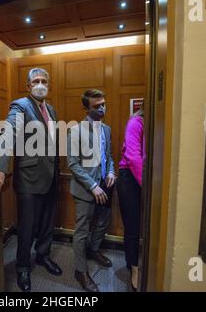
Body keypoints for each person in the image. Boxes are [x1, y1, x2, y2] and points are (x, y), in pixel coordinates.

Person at [0, 68, 62, 292]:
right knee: (27, 227)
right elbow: (9, 132)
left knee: (47, 222)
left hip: (51, 176)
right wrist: (0, 166)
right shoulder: (20, 106)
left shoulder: (52, 110)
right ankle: (23, 267)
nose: (40, 84)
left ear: (49, 85)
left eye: (44, 81)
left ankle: (43, 255)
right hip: (28, 178)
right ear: (28, 86)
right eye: (35, 81)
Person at [67, 89, 116, 292]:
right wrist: (93, 185)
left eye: (104, 104)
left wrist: (112, 171)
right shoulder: (75, 131)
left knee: (103, 221)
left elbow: (109, 156)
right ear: (86, 108)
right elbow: (72, 163)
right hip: (86, 189)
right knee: (82, 231)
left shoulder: (106, 129)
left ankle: (94, 249)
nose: (102, 108)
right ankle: (80, 271)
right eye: (97, 106)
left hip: (106, 184)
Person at [116, 108, 144, 291]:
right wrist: (146, 185)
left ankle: (135, 260)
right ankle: (133, 266)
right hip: (129, 177)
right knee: (133, 225)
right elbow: (133, 157)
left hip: (143, 176)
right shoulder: (136, 122)